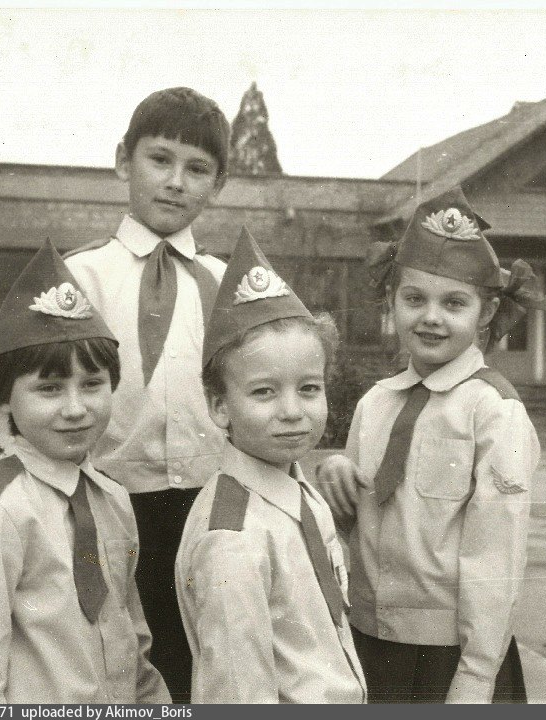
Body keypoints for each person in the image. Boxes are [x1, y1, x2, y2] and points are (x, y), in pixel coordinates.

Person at [317, 187, 546, 703]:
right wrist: (335, 480)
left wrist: (476, 677)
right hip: (369, 642)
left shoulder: (494, 411)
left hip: (452, 659)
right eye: (414, 299)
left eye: (453, 303)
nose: (431, 317)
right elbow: (355, 530)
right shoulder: (375, 404)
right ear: (391, 301)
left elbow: (497, 556)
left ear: (486, 313)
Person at [0, 240, 169, 704]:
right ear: (3, 398)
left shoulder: (112, 498)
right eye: (49, 389)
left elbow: (132, 644)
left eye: (92, 384)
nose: (75, 408)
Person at [64, 87, 230, 702]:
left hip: (206, 506)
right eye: (160, 159)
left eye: (197, 169)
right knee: (113, 662)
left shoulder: (225, 282)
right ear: (122, 161)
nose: (176, 182)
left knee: (201, 661)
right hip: (108, 505)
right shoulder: (80, 276)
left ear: (217, 185)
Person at [174, 228, 367, 703]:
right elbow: (237, 692)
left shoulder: (303, 494)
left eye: (309, 388)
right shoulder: (233, 539)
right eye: (264, 392)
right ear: (220, 407)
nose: (292, 411)